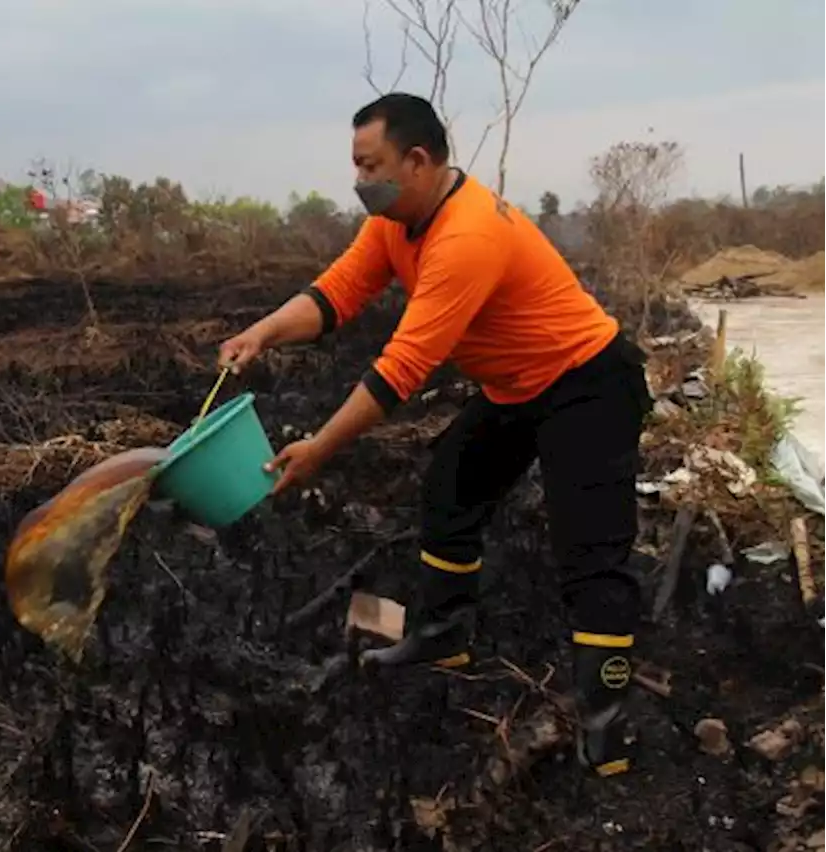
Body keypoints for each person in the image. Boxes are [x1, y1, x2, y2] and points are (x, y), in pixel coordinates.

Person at [217, 92, 653, 778]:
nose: (361, 183)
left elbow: (402, 370)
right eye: (356, 168)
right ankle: (442, 636)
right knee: (451, 488)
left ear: (417, 161)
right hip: (517, 388)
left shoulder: (467, 233)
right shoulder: (398, 219)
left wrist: (320, 449)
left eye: (371, 166)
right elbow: (337, 294)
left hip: (586, 384)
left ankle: (609, 732)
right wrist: (263, 332)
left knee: (590, 552)